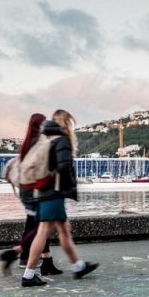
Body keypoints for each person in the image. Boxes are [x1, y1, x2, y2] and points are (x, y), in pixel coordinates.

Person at [21, 109, 98, 287]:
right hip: (53, 193)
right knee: (43, 231)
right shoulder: (61, 139)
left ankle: (78, 266)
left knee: (64, 230)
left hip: (43, 192)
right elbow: (63, 166)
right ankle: (28, 274)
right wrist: (68, 185)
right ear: (66, 123)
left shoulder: (44, 138)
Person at [0, 112, 62, 276]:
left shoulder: (28, 142)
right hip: (37, 191)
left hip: (28, 191)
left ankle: (46, 262)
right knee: (41, 227)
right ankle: (16, 253)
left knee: (36, 227)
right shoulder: (38, 143)